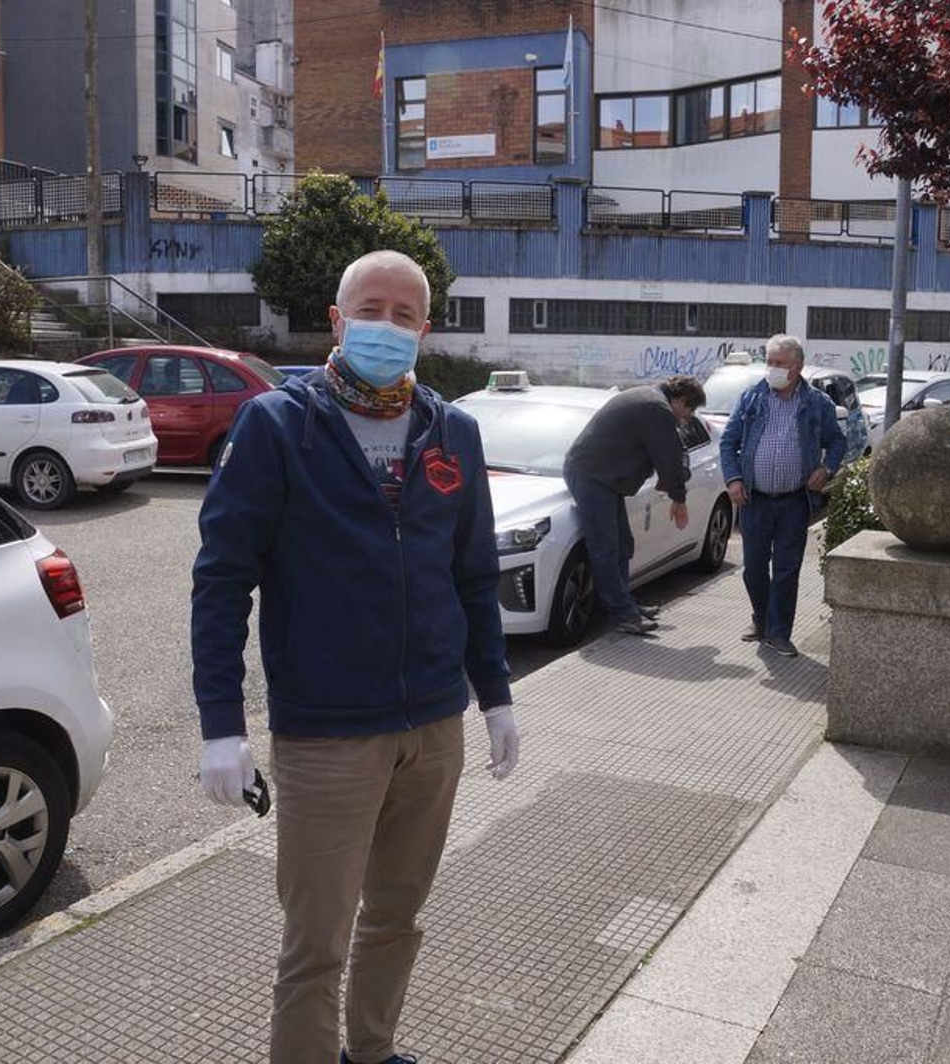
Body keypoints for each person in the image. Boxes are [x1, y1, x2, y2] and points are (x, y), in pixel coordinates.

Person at [189, 250, 520, 1064]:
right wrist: (219, 725)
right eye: (371, 310)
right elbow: (223, 579)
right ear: (337, 322)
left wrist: (497, 696)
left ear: (425, 329)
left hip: (433, 726)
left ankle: (371, 1052)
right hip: (327, 736)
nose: (388, 326)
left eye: (406, 315)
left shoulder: (455, 432)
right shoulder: (278, 426)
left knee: (398, 917)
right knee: (316, 945)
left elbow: (475, 576)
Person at [719, 335, 847, 657]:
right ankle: (761, 620)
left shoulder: (817, 402)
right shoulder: (752, 398)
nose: (773, 369)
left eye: (780, 364)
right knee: (754, 569)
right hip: (755, 499)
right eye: (770, 362)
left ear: (797, 367)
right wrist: (733, 479)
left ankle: (778, 633)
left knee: (787, 570)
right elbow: (728, 443)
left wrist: (827, 468)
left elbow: (837, 442)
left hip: (794, 500)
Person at [562, 375, 706, 636]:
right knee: (605, 547)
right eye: (689, 410)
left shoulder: (650, 399)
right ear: (681, 400)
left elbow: (671, 452)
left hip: (604, 478)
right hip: (592, 477)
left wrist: (673, 479)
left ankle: (622, 603)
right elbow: (669, 458)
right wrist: (679, 499)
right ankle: (623, 614)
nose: (687, 417)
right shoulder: (656, 408)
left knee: (622, 544)